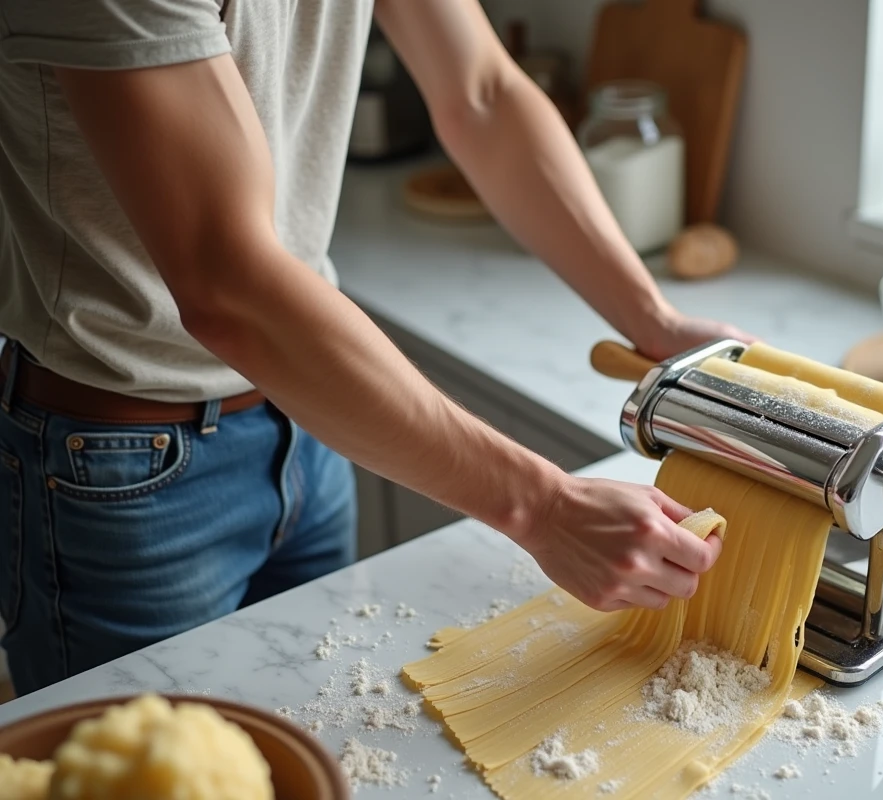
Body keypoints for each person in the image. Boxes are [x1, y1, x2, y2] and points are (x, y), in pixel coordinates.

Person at [0, 0, 753, 695]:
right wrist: (544, 508)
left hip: (312, 427)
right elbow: (227, 283)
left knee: (316, 730)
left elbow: (484, 92)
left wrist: (652, 321)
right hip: (119, 471)